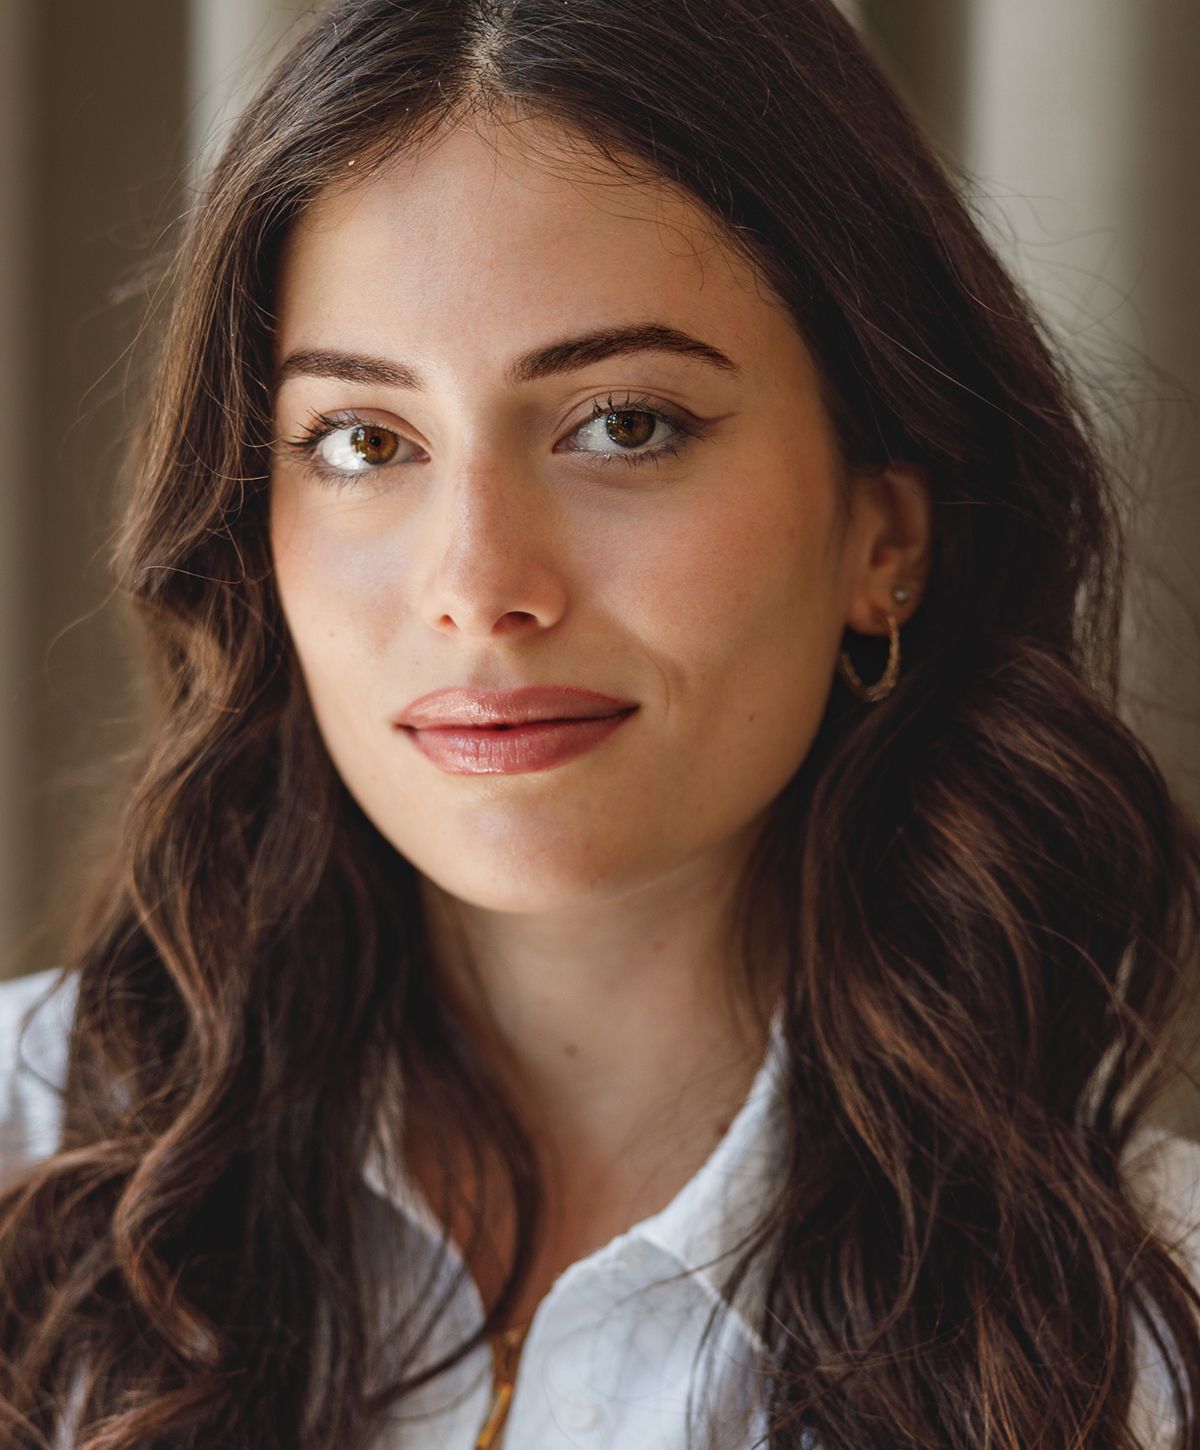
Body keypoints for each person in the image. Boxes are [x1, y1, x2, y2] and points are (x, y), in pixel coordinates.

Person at [2, 0, 1199, 1445]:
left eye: (624, 424)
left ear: (887, 531)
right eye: (365, 443)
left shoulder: (1146, 1323)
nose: (479, 587)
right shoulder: (29, 1168)